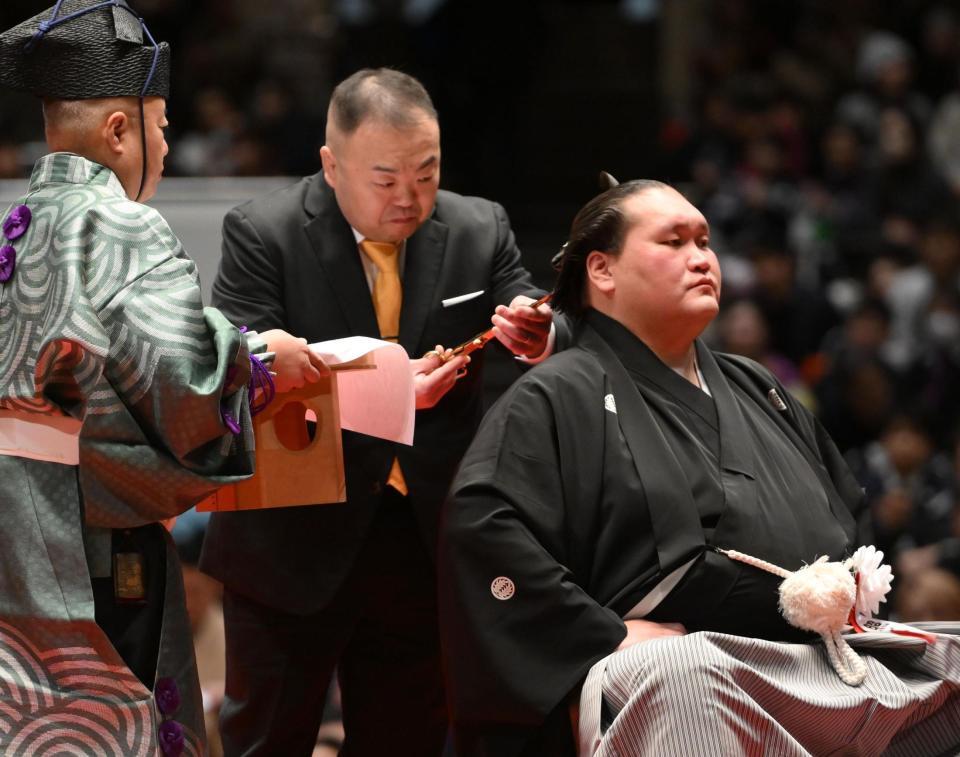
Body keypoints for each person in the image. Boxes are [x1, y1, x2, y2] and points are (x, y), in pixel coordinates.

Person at [438, 179, 960, 756]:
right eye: (673, 241)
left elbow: (847, 512)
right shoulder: (559, 392)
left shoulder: (758, 386)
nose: (701, 259)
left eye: (705, 241)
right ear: (602, 270)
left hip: (821, 660)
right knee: (688, 679)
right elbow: (483, 528)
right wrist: (603, 635)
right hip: (694, 667)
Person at [199, 67, 559, 756]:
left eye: (427, 172)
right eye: (386, 178)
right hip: (291, 535)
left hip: (420, 538)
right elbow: (243, 377)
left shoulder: (480, 225)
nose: (410, 197)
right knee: (266, 741)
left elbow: (535, 310)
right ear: (332, 166)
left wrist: (534, 328)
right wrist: (392, 392)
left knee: (410, 740)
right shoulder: (262, 231)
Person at [0, 2, 322, 753]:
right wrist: (257, 355)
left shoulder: (15, 226)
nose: (168, 143)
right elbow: (186, 389)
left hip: (16, 544)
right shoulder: (121, 224)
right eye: (160, 123)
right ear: (120, 131)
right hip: (96, 557)